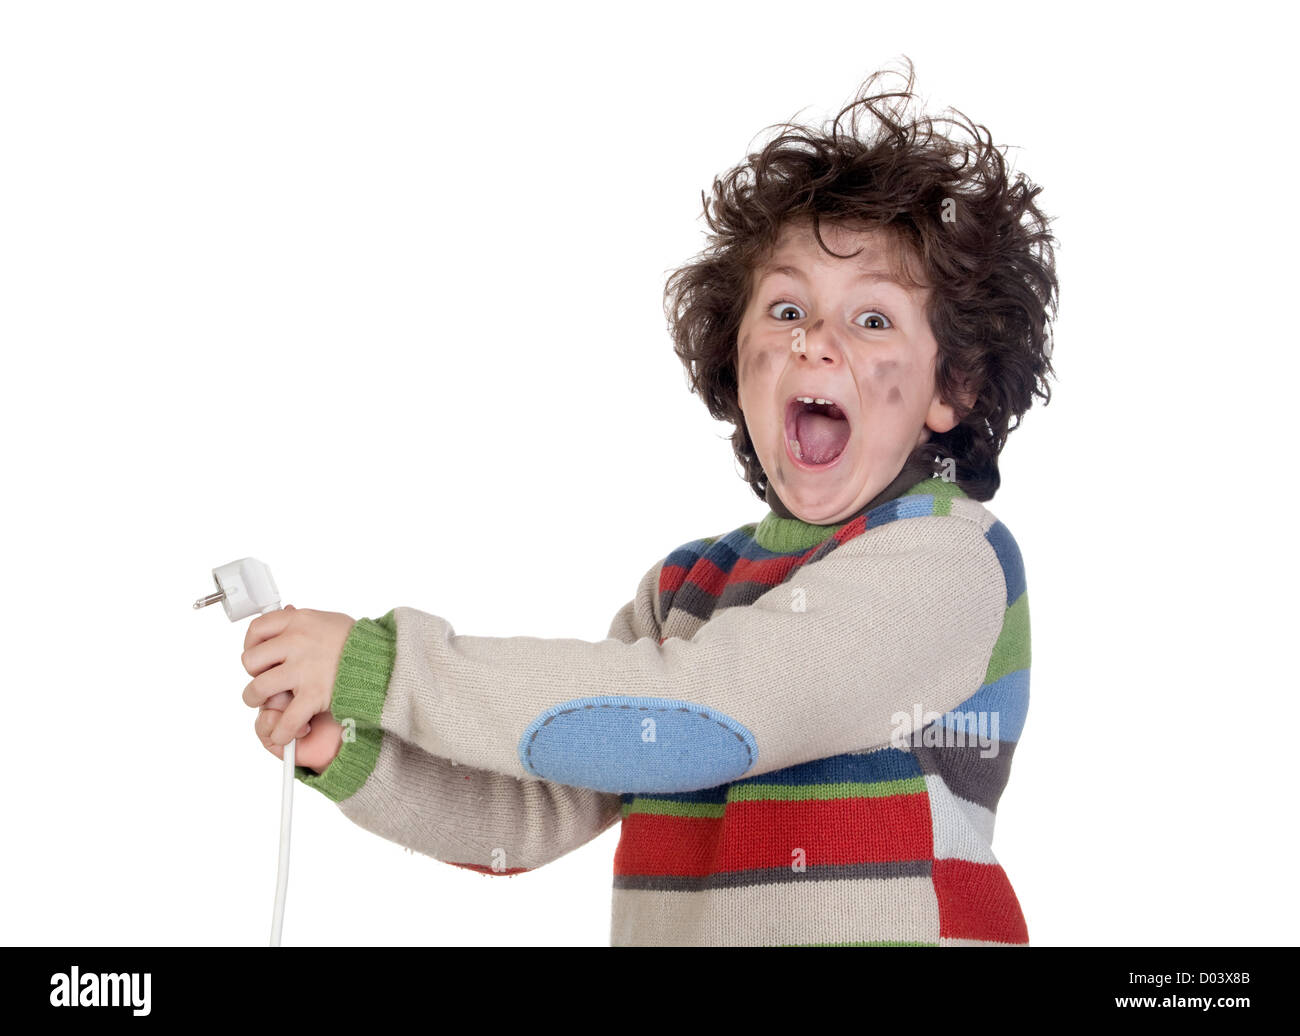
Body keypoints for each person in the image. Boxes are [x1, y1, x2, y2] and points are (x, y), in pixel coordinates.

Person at [240, 58, 1058, 946]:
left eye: (873, 321)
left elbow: (712, 714)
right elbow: (529, 816)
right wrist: (354, 749)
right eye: (786, 311)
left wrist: (385, 667)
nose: (817, 343)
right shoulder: (687, 588)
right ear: (733, 357)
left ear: (955, 386)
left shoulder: (947, 558)